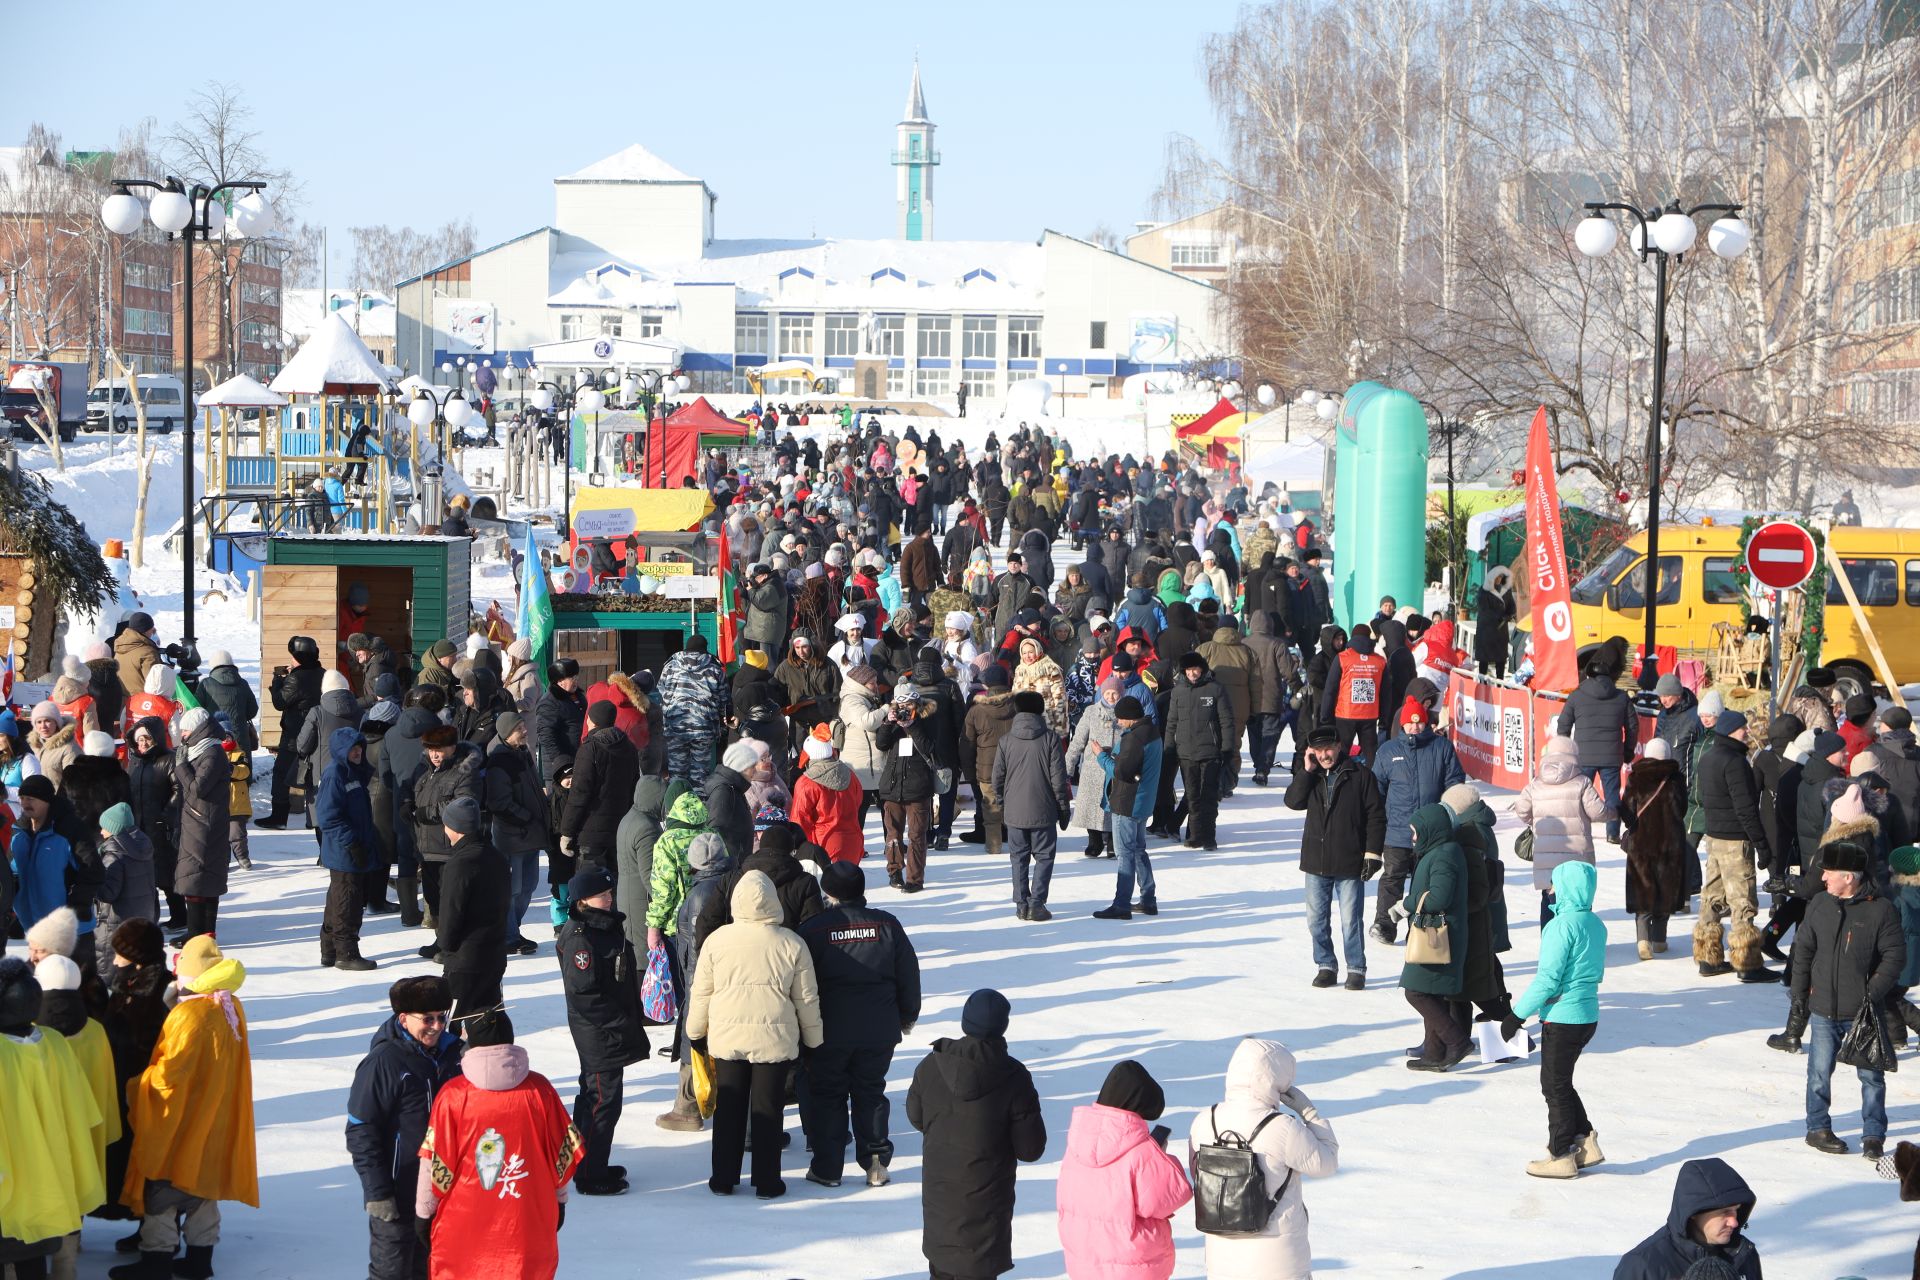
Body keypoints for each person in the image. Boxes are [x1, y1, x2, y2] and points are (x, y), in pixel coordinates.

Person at [118, 935, 258, 1280]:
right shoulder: (229, 1005)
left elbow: (169, 1077)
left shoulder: (191, 1015)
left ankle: (156, 1263)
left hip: (182, 1121)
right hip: (217, 1117)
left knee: (164, 1190)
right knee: (203, 1188)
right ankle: (200, 1261)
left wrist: (138, 1085)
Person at [686, 869, 824, 1199]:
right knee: (769, 1109)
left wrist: (695, 1033)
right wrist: (814, 1040)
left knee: (729, 1107)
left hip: (727, 1036)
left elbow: (701, 992)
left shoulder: (717, 941)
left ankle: (723, 1177)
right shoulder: (792, 943)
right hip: (774, 1039)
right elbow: (806, 998)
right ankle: (767, 1181)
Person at [413, 1010, 582, 1280]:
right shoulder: (540, 1091)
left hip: (464, 1221)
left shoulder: (453, 1096)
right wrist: (559, 1201)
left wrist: (423, 1212)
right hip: (527, 1219)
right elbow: (559, 1154)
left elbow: (434, 1163)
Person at [796, 861, 922, 1189]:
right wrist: (907, 1015)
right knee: (870, 1091)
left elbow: (801, 983)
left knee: (827, 1095)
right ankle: (876, 1161)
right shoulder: (887, 925)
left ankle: (827, 1167)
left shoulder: (813, 929)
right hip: (878, 1028)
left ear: (829, 892)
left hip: (828, 1030)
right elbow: (908, 974)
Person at [907, 989, 1047, 1280]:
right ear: (1002, 1026)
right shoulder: (1013, 1077)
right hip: (985, 1210)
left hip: (940, 1203)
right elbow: (1030, 1149)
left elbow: (916, 1117)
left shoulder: (932, 1065)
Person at [1789, 838, 1904, 1159]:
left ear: (1849, 876)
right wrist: (1799, 996)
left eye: (1828, 872)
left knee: (1871, 1076)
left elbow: (1894, 956)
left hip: (1863, 1012)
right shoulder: (1819, 904)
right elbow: (1802, 952)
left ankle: (1873, 1135)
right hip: (1823, 1008)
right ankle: (1817, 1128)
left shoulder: (1880, 909)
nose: (1823, 878)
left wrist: (1871, 993)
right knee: (1818, 1074)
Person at [1186, 1039, 1339, 1280]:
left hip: (1221, 1257)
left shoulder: (1204, 1121)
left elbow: (1197, 1173)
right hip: (1280, 1262)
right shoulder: (1282, 1127)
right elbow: (1327, 1163)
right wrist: (1310, 1113)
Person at [346, 975, 464, 1280]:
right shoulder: (384, 1062)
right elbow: (361, 1128)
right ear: (403, 1018)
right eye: (427, 1018)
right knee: (392, 1271)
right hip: (399, 1192)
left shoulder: (454, 1056)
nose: (437, 1026)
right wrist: (378, 1192)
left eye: (442, 1017)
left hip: (443, 1191)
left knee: (433, 1269)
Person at [0, 956, 105, 1280]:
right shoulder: (55, 1044)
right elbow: (83, 1111)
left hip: (8, 1190)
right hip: (50, 1183)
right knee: (34, 1260)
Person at [1508, 859, 1607, 1178]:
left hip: (1563, 1017)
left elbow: (1548, 979)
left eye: (1554, 884)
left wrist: (1516, 1015)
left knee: (1553, 1086)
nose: (1549, 890)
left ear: (1566, 889)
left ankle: (1561, 1153)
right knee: (1561, 1082)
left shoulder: (1560, 926)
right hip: (1587, 1015)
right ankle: (1585, 1142)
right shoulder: (1595, 923)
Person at [555, 865, 650, 1196]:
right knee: (602, 1101)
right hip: (599, 1033)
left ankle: (584, 1160)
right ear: (582, 901)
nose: (609, 900)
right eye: (601, 896)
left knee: (593, 1097)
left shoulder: (602, 927)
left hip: (607, 1029)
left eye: (610, 894)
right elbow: (586, 995)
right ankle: (590, 1174)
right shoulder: (582, 938)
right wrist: (622, 1025)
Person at [1056, 1059, 1192, 1280]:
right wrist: (1162, 1157)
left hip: (1083, 1262)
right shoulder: (1140, 1151)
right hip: (1133, 1267)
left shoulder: (1076, 1144)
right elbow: (1172, 1196)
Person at [1287, 725, 1385, 989]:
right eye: (1318, 751)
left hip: (1349, 860)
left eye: (1328, 748)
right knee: (1316, 921)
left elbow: (1376, 816)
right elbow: (1293, 802)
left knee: (1350, 921)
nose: (1324, 755)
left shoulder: (1361, 776)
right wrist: (1305, 772)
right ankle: (1326, 965)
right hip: (1315, 861)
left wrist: (1372, 854)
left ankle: (1356, 968)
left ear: (1340, 746)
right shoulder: (1312, 776)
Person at [1370, 698, 1465, 944]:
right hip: (1397, 832)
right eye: (1410, 724)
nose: (1415, 728)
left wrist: (1447, 815)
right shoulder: (1388, 751)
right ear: (1402, 725)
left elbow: (1454, 783)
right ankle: (1384, 924)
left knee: (1425, 883)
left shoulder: (1442, 747)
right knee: (1392, 878)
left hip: (1430, 835)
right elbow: (1376, 791)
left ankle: (1420, 929)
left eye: (1419, 723)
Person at [1399, 803, 1472, 1071]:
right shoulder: (1439, 851)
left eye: (1416, 832)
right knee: (1431, 992)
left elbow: (1440, 897)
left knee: (1416, 992)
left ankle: (1457, 1041)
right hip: (1438, 933)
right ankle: (1434, 1053)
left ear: (1431, 830)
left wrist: (1408, 903)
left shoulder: (1444, 855)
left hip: (1438, 936)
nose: (1413, 838)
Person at [1512, 737, 1611, 925]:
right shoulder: (1581, 782)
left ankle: (1550, 940)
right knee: (1579, 898)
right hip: (1577, 854)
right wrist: (1612, 813)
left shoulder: (1536, 783)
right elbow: (1597, 812)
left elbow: (1521, 809)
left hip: (1546, 855)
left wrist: (1536, 822)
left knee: (1548, 898)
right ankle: (1579, 941)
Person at [994, 689, 1072, 922]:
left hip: (1015, 811)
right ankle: (1036, 903)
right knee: (1044, 857)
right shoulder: (1050, 739)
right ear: (1041, 711)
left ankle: (1021, 903)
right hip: (1044, 810)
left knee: (1018, 858)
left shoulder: (1006, 740)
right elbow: (1058, 778)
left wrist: (1003, 803)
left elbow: (997, 777)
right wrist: (1063, 808)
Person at [1613, 1158, 1762, 1279]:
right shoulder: (1642, 1266)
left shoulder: (1742, 1254)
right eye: (1724, 1212)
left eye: (1736, 1210)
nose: (1734, 1222)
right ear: (1694, 1212)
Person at [436, 797, 509, 1021]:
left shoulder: (460, 864)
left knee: (458, 1025)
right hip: (494, 955)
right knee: (489, 1024)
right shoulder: (496, 856)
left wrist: (445, 946)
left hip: (465, 959)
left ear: (453, 827)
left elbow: (451, 911)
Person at [1093, 696, 1164, 920]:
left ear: (1129, 718)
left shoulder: (1133, 739)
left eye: (1120, 719)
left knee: (1125, 854)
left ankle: (1122, 904)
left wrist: (1101, 756)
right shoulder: (1151, 731)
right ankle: (1148, 899)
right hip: (1143, 801)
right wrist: (1116, 754)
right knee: (1137, 849)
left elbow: (1121, 773)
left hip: (1127, 802)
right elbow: (1132, 763)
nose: (1118, 723)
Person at [315, 727, 379, 972]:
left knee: (339, 900)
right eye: (352, 749)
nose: (357, 752)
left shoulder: (353, 773)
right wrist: (352, 841)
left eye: (359, 747)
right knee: (347, 903)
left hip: (353, 847)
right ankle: (346, 953)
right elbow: (328, 817)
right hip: (344, 851)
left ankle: (330, 950)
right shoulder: (336, 774)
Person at [1620, 738, 1689, 960]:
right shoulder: (1675, 778)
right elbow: (1682, 809)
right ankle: (1659, 940)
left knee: (1643, 888)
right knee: (1665, 889)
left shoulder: (1636, 777)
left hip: (1642, 842)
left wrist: (1632, 822)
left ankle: (1642, 940)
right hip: (1670, 843)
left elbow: (1627, 810)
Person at [1557, 660, 1635, 842]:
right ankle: (1612, 832)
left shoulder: (1577, 696)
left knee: (1580, 794)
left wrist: (1566, 750)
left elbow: (1563, 725)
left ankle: (1578, 829)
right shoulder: (1621, 697)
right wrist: (1628, 751)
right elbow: (1632, 727)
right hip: (1611, 755)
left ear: (1589, 675)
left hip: (1583, 755)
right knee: (1612, 795)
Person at [1166, 651, 1235, 850]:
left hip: (1211, 752)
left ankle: (1209, 837)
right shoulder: (1178, 691)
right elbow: (1172, 722)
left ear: (1202, 669)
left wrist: (1227, 748)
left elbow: (1226, 721)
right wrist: (1169, 747)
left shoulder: (1215, 689)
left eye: (1195, 669)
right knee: (1192, 796)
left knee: (1209, 796)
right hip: (1186, 753)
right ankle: (1195, 836)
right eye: (1188, 670)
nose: (1192, 673)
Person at [875, 686, 940, 893]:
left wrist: (912, 726)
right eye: (900, 705)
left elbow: (930, 748)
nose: (905, 709)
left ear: (917, 704)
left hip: (918, 788)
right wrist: (888, 723)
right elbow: (881, 744)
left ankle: (915, 879)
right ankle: (894, 871)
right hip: (892, 787)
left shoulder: (928, 721)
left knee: (916, 836)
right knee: (892, 834)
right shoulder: (893, 722)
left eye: (909, 705)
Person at [790, 733, 865, 864]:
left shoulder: (806, 783)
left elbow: (799, 822)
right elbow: (858, 802)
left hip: (822, 846)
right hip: (853, 843)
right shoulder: (851, 775)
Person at [1322, 622, 1385, 765]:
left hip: (1345, 714)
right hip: (1370, 715)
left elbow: (1330, 689)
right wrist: (1384, 718)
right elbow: (1385, 693)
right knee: (1370, 754)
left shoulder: (1342, 658)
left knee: (1341, 752)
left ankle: (1340, 780)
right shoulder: (1380, 661)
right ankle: (1370, 782)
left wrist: (1325, 716)